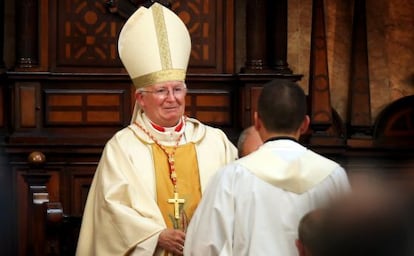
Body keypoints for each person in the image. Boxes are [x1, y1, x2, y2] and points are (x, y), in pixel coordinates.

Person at [75, 3, 237, 256]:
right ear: (141, 98)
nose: (171, 98)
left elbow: (236, 199)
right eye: (161, 90)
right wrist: (156, 236)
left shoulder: (215, 143)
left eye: (178, 89)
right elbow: (111, 210)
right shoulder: (122, 148)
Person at [184, 79, 351, 256]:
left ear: (257, 121)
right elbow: (350, 242)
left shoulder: (232, 177)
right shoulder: (333, 175)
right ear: (305, 124)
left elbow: (202, 247)